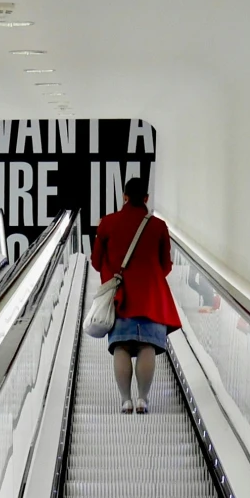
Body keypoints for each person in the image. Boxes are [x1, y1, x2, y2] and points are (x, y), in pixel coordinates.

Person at [89, 177, 176, 413]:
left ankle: (126, 400)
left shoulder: (107, 223)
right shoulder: (158, 226)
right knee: (147, 347)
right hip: (151, 299)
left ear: (124, 197)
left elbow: (96, 262)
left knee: (122, 348)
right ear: (146, 198)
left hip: (121, 298)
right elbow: (166, 266)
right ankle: (143, 399)